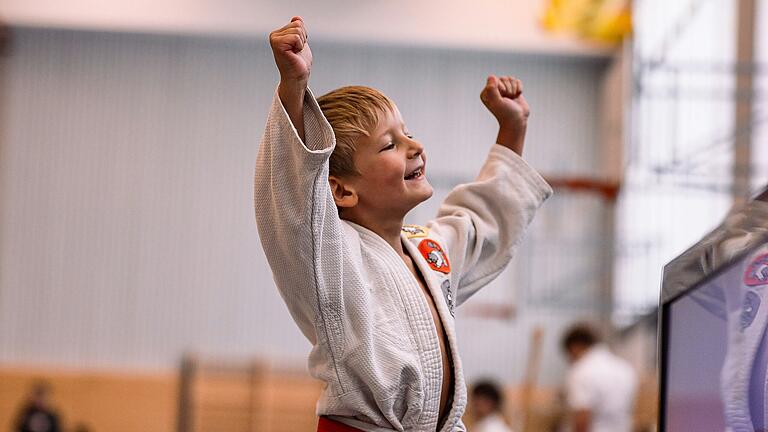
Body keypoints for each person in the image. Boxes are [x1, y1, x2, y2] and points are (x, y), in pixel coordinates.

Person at [254, 16, 552, 432]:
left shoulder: (428, 251)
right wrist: (293, 87)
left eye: (408, 133)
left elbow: (482, 220)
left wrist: (512, 128)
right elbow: (293, 200)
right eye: (390, 144)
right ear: (341, 191)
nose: (416, 146)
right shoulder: (330, 256)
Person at [560, 323, 637, 432]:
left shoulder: (581, 370)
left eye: (568, 353)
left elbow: (582, 419)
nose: (569, 359)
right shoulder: (625, 368)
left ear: (575, 346)